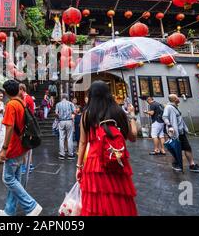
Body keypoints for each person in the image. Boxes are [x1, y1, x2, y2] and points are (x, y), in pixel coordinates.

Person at [76, 81, 138, 216]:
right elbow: (133, 137)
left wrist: (79, 166)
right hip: (116, 159)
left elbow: (82, 142)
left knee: (96, 201)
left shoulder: (87, 114)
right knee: (117, 198)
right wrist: (132, 115)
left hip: (94, 165)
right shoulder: (118, 111)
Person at [0, 80, 42, 216]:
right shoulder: (22, 103)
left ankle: (31, 205)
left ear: (6, 92)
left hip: (14, 147)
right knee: (15, 180)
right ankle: (9, 211)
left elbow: (9, 127)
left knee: (8, 179)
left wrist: (4, 148)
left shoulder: (11, 105)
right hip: (22, 147)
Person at [162, 94, 199, 173]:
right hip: (174, 132)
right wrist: (170, 126)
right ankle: (176, 164)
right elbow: (164, 117)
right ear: (175, 99)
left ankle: (192, 165)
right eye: (177, 97)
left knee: (187, 148)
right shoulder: (169, 107)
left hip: (180, 132)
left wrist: (185, 129)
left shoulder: (175, 107)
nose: (179, 99)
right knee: (176, 148)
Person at [19, 84, 35, 173]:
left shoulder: (26, 99)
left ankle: (25, 166)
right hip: (29, 124)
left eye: (18, 90)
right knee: (28, 146)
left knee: (25, 145)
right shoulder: (29, 98)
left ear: (22, 89)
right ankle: (30, 165)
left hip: (26, 124)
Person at [55, 93, 75, 160]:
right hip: (69, 121)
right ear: (67, 97)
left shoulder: (58, 104)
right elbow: (75, 111)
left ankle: (62, 154)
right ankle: (70, 155)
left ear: (62, 97)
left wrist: (59, 117)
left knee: (61, 138)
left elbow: (56, 113)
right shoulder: (70, 103)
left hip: (61, 121)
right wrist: (72, 115)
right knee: (69, 138)